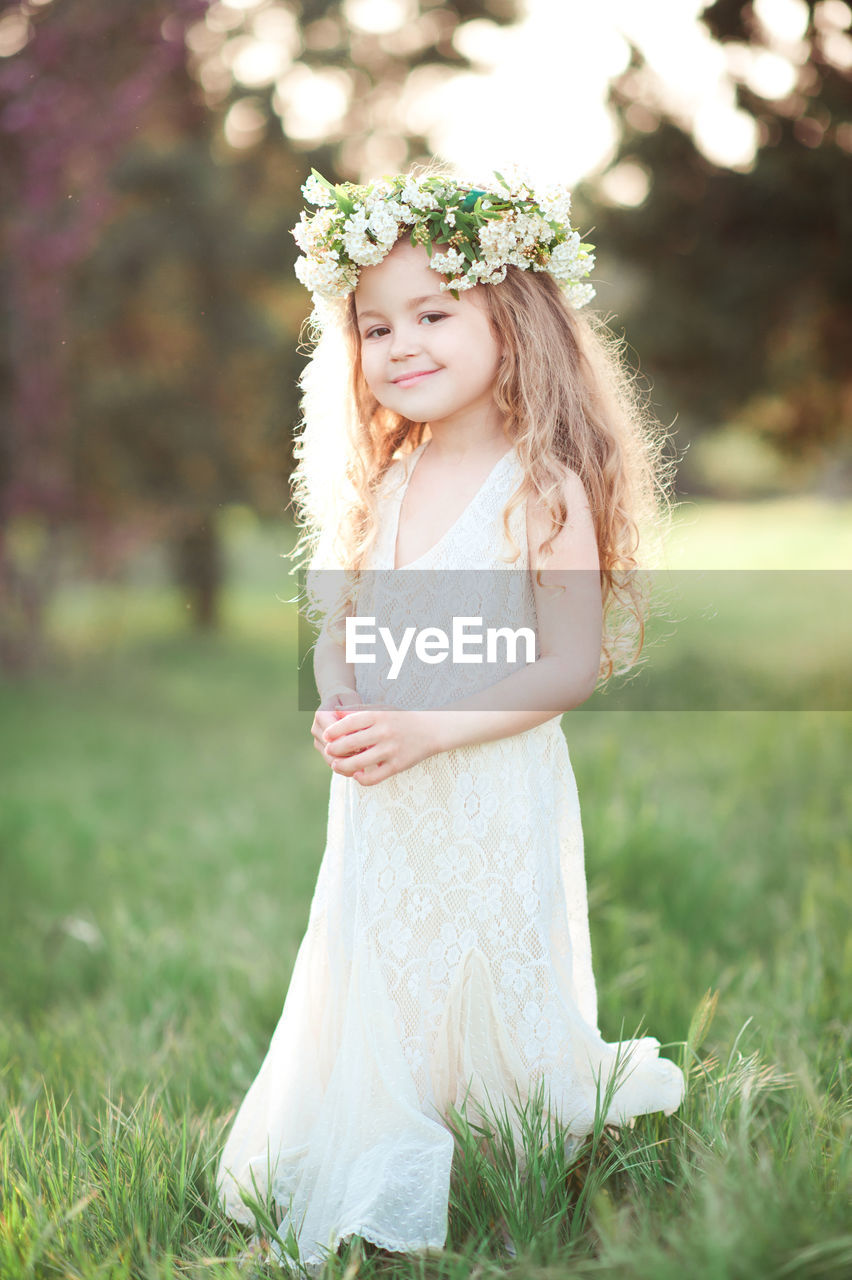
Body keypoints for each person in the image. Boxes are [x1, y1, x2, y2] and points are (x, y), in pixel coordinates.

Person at [215, 164, 686, 1274]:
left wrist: (429, 725)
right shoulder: (381, 482)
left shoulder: (544, 487)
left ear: (511, 318)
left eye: (434, 312)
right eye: (376, 324)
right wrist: (343, 695)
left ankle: (510, 1143)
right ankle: (382, 1151)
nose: (402, 343)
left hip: (485, 774)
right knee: (385, 968)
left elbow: (567, 661)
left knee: (485, 955)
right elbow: (348, 626)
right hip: (385, 796)